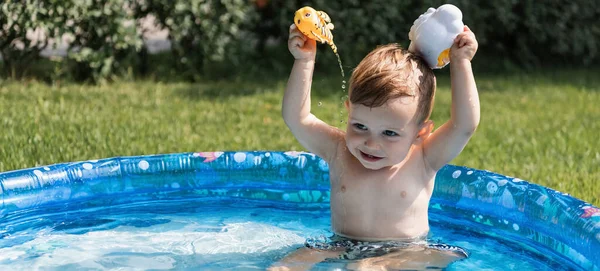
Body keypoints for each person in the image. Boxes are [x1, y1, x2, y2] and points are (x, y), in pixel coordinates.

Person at [270, 22, 480, 270]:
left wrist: (461, 62)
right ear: (349, 112)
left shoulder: (424, 159)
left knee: (365, 268)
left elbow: (464, 125)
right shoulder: (339, 150)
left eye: (389, 133)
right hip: (341, 245)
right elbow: (298, 118)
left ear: (420, 133)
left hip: (408, 252)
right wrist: (304, 61)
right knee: (283, 267)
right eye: (359, 126)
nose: (371, 143)